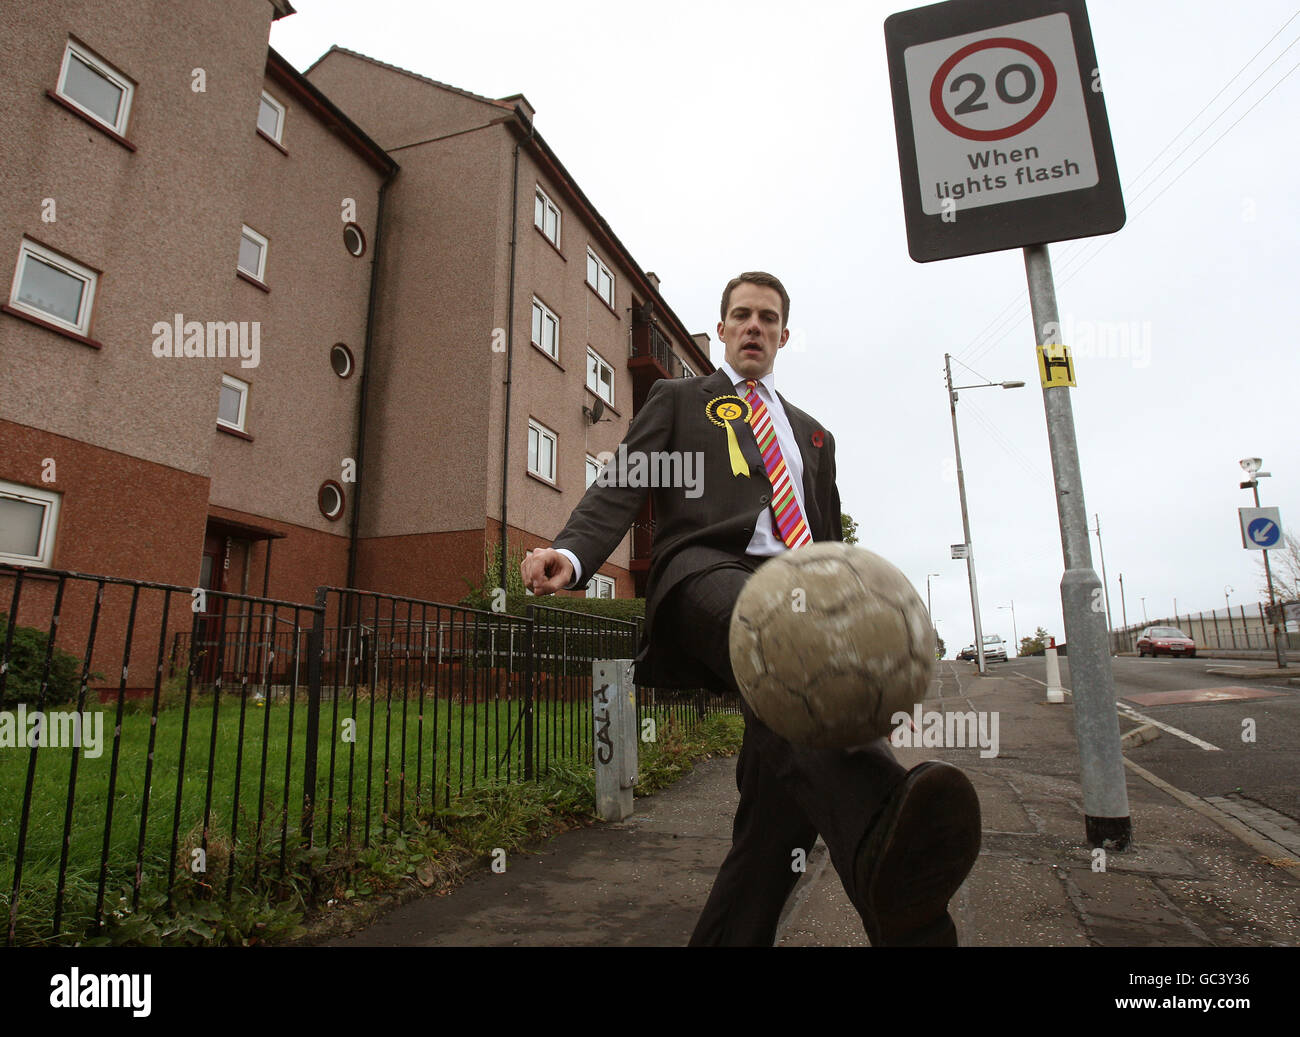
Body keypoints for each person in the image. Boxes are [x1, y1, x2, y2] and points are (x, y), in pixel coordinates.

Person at [521, 271, 980, 946]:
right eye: (742, 315)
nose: (754, 326)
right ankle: (888, 807)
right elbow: (624, 480)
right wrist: (574, 552)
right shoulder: (680, 400)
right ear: (725, 329)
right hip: (706, 576)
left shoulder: (814, 436)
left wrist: (849, 610)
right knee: (795, 662)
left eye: (768, 317)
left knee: (777, 820)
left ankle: (907, 925)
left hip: (796, 590)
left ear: (784, 334)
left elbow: (824, 536)